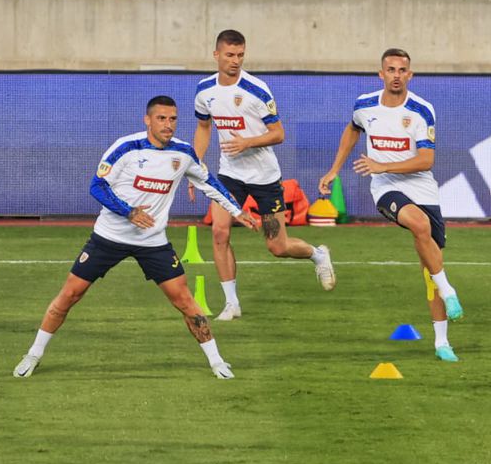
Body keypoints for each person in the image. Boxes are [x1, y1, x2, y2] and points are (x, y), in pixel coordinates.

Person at [13, 96, 259, 379]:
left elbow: (209, 182)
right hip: (109, 237)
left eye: (173, 119)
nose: (168, 125)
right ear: (148, 120)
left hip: (152, 242)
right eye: (161, 118)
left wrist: (236, 211)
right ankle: (33, 354)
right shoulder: (125, 148)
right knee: (70, 294)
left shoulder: (183, 153)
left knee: (185, 300)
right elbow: (97, 186)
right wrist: (128, 212)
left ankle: (217, 362)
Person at [317, 48, 463, 362]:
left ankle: (442, 343)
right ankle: (449, 290)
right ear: (381, 74)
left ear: (410, 75)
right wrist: (334, 169)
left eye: (402, 70)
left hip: (423, 190)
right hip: (385, 189)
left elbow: (426, 160)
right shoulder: (365, 105)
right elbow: (352, 130)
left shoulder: (422, 110)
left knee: (430, 267)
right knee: (420, 225)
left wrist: (383, 164)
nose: (396, 75)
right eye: (391, 70)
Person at [192, 29, 335, 321]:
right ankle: (232, 303)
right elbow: (204, 127)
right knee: (219, 232)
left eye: (240, 55)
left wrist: (247, 142)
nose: (235, 60)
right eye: (230, 55)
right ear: (216, 55)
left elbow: (278, 134)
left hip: (265, 177)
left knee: (277, 247)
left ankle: (317, 254)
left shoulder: (257, 90)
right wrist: (195, 166)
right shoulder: (204, 90)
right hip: (229, 174)